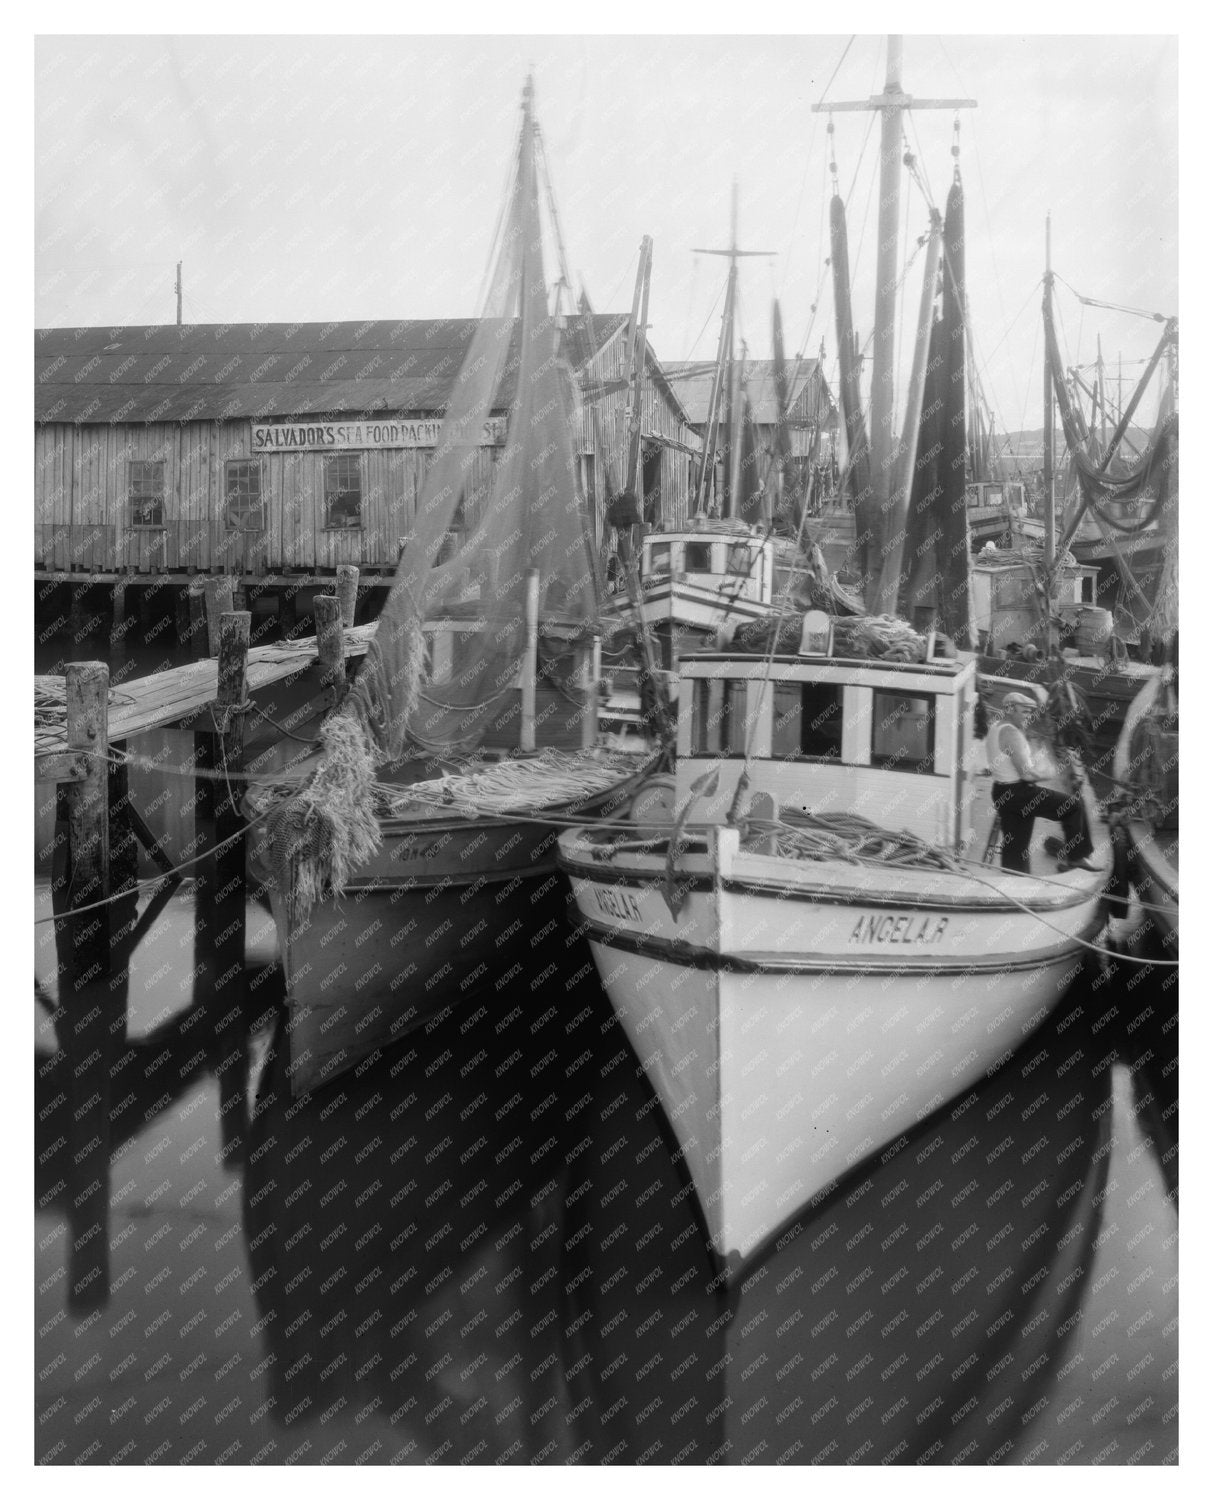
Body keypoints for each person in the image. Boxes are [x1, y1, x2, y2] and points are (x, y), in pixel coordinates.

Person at [988, 691, 1097, 875]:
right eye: (1024, 712)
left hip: (1001, 791)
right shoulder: (1010, 734)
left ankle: (1014, 880)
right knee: (1072, 807)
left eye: (1030, 713)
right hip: (1018, 793)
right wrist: (1049, 773)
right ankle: (1077, 857)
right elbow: (1028, 775)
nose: (1028, 717)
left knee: (1016, 845)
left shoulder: (996, 727)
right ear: (1009, 710)